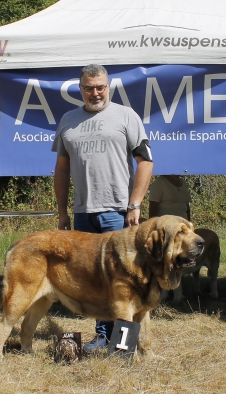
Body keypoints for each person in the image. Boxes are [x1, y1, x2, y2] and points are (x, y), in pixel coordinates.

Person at [52, 64, 154, 352]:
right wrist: (63, 211)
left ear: (108, 87)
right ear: (80, 89)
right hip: (83, 213)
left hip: (119, 212)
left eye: (100, 87)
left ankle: (124, 345)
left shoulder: (126, 116)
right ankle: (102, 337)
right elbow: (61, 170)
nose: (95, 93)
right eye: (88, 88)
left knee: (125, 280)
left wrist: (134, 204)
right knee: (94, 279)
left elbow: (145, 161)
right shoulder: (68, 120)